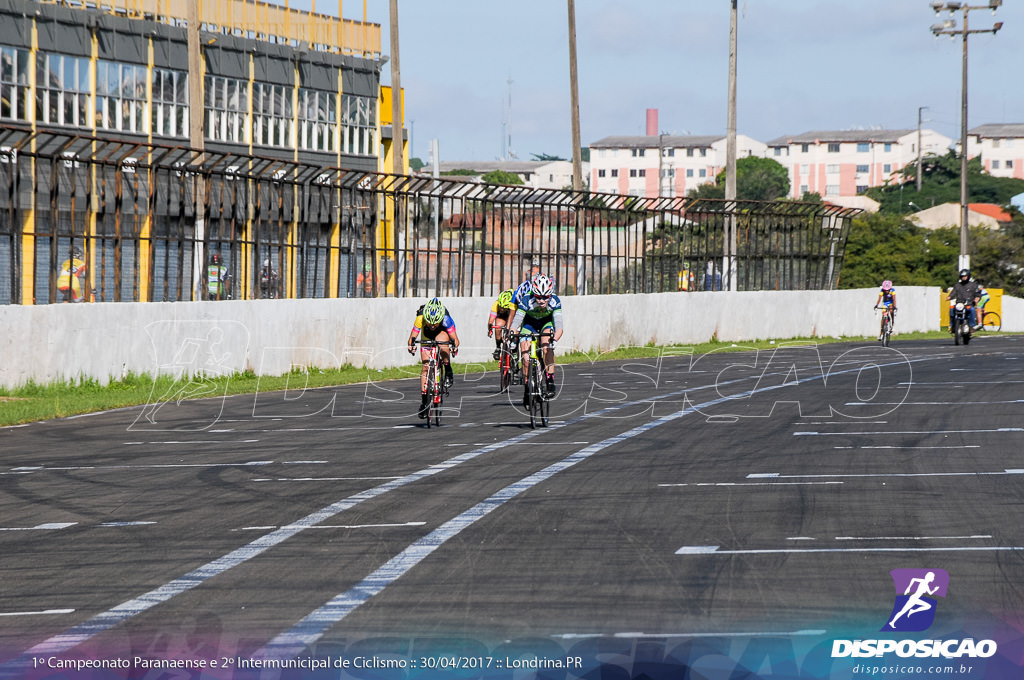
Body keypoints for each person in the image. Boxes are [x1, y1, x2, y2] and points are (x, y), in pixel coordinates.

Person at [509, 273, 563, 400]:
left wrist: (554, 339)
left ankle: (550, 382)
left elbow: (559, 326)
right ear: (534, 293)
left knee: (546, 347)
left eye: (546, 297)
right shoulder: (527, 300)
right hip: (529, 324)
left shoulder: (555, 301)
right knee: (526, 357)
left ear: (550, 294)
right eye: (539, 297)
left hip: (546, 323)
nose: (542, 301)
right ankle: (527, 388)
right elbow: (516, 321)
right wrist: (512, 335)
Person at [407, 297, 460, 419]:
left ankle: (448, 369)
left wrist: (454, 347)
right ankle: (424, 401)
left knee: (442, 342)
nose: (432, 325)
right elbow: (412, 337)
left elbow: (455, 340)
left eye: (434, 323)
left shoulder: (446, 319)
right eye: (429, 322)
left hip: (442, 332)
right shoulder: (421, 317)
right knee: (426, 366)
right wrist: (411, 346)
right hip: (426, 335)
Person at [487, 288, 517, 360]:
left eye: (504, 308)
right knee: (497, 326)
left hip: (512, 315)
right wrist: (490, 329)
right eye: (501, 307)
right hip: (502, 317)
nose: (502, 309)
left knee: (514, 331)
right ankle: (498, 347)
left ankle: (515, 351)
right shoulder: (496, 304)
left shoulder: (514, 304)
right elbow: (491, 321)